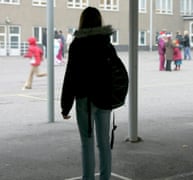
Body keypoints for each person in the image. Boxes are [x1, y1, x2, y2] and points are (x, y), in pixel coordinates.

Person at [60, 7, 116, 180]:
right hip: (105, 99)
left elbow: (70, 76)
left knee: (87, 143)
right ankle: (105, 177)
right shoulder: (107, 44)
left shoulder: (77, 45)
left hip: (85, 99)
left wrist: (65, 105)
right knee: (104, 143)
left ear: (82, 22)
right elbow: (114, 72)